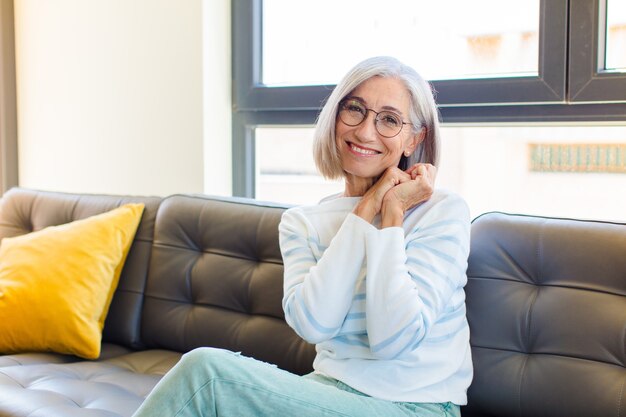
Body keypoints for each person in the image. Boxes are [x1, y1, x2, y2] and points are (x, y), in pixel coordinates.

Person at [132, 56, 472, 417]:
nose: (365, 132)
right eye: (354, 109)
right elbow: (314, 323)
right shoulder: (301, 223)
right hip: (323, 393)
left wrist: (391, 215)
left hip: (413, 407)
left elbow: (394, 338)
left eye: (388, 119)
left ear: (413, 139)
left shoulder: (442, 211)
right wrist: (364, 210)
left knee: (207, 377)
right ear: (335, 117)